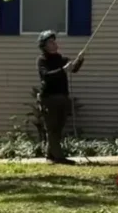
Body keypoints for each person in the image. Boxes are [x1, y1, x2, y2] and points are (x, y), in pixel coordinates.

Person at [36, 30, 84, 165]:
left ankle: (50, 155)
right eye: (51, 42)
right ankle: (59, 157)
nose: (54, 43)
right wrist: (63, 70)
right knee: (52, 128)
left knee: (58, 127)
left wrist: (79, 60)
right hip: (49, 98)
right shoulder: (42, 60)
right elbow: (46, 76)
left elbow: (73, 69)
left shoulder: (61, 58)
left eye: (54, 41)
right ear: (44, 46)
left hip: (62, 97)